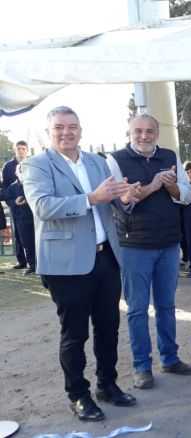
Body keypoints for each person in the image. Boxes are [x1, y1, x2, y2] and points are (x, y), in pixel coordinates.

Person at [22, 106, 140, 421]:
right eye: (59, 127)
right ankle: (78, 396)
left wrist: (124, 198)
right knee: (75, 334)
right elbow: (43, 207)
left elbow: (112, 199)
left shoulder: (97, 162)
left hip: (106, 258)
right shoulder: (35, 165)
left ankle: (108, 385)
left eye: (72, 126)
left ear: (81, 130)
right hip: (66, 265)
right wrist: (91, 198)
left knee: (108, 327)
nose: (66, 132)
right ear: (49, 132)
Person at [106, 114, 191, 390]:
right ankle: (142, 367)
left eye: (149, 131)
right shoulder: (115, 160)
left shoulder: (170, 155)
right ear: (129, 131)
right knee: (137, 310)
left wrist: (169, 184)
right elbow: (121, 202)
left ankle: (170, 358)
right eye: (138, 131)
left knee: (166, 306)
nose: (144, 136)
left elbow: (187, 195)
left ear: (157, 133)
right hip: (134, 245)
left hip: (169, 243)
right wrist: (155, 185)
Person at [2, 140, 30, 270]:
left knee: (33, 233)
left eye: (23, 148)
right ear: (15, 149)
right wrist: (14, 199)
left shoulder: (33, 163)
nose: (21, 151)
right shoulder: (8, 166)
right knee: (18, 233)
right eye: (18, 148)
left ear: (27, 150)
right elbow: (5, 187)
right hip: (15, 204)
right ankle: (22, 261)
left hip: (31, 205)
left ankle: (35, 262)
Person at [6, 165, 36, 275]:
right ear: (16, 173)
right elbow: (8, 199)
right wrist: (15, 201)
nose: (23, 173)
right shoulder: (12, 187)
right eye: (20, 171)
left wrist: (28, 200)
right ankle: (32, 265)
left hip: (35, 218)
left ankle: (42, 265)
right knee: (27, 243)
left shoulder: (34, 184)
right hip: (20, 219)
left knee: (38, 242)